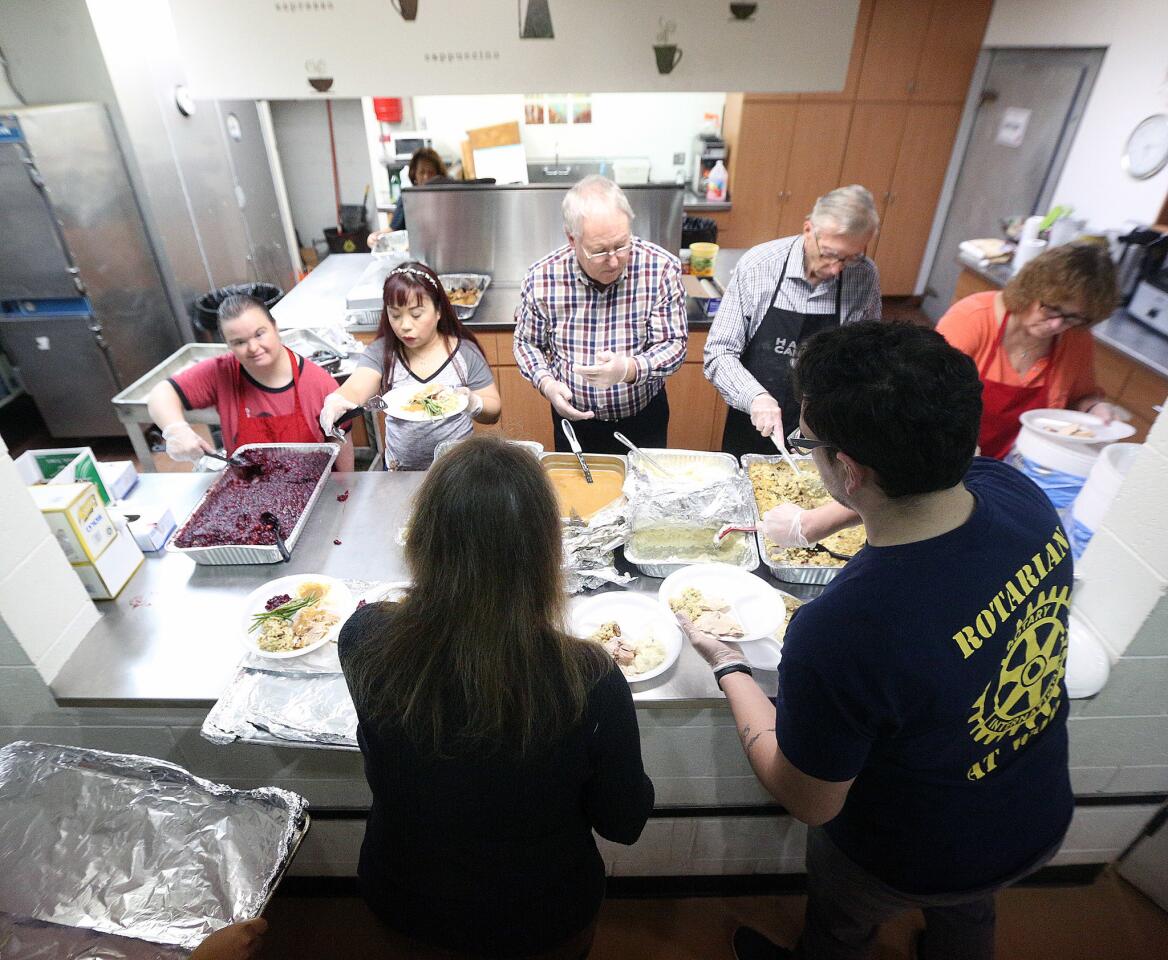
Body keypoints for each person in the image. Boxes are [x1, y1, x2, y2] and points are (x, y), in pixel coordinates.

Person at [680, 322, 1074, 960]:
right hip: (1032, 811)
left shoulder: (844, 630)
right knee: (968, 921)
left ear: (848, 468)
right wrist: (817, 518)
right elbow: (944, 481)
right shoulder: (1019, 495)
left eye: (811, 442)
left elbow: (807, 799)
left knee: (839, 932)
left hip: (906, 850)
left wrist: (729, 667)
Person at [338, 436, 654, 959]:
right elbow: (624, 822)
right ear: (544, 553)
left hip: (407, 901)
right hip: (542, 917)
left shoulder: (363, 636)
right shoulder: (590, 677)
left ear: (423, 541)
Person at [513, 175, 687, 454]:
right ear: (572, 240)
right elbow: (526, 343)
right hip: (575, 422)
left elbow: (674, 345)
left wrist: (629, 369)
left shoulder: (660, 268)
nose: (614, 259)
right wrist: (547, 385)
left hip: (643, 419)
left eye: (621, 245)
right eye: (599, 251)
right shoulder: (543, 278)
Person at [704, 184, 882, 457]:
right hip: (754, 420)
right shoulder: (759, 266)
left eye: (850, 258)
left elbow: (865, 361)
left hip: (822, 430)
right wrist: (755, 397)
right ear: (808, 230)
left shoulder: (864, 276)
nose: (836, 269)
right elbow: (719, 352)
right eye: (829, 254)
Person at [937, 242, 1122, 459]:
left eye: (1073, 317)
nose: (1056, 325)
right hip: (947, 459)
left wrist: (1093, 410)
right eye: (1052, 308)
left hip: (1018, 466)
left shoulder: (1076, 339)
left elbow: (1080, 398)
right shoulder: (972, 319)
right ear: (1031, 289)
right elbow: (922, 396)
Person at [319, 262, 500, 470]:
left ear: (439, 310)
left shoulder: (464, 353)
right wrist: (337, 401)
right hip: (400, 471)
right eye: (395, 315)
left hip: (456, 471)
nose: (404, 325)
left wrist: (472, 401)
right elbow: (356, 388)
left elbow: (494, 411)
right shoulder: (381, 353)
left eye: (416, 314)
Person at [147, 294, 354, 470]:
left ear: (275, 327)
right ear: (228, 344)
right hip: (249, 492)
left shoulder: (318, 384)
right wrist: (176, 429)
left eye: (259, 334)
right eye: (239, 342)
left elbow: (341, 447)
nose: (253, 347)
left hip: (310, 491)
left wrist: (346, 493)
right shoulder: (222, 373)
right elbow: (162, 394)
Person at [367, 147, 451, 245]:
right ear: (414, 175)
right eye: (422, 172)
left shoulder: (448, 198)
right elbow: (393, 229)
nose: (426, 177)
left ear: (439, 175)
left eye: (431, 172)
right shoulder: (407, 198)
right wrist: (374, 237)